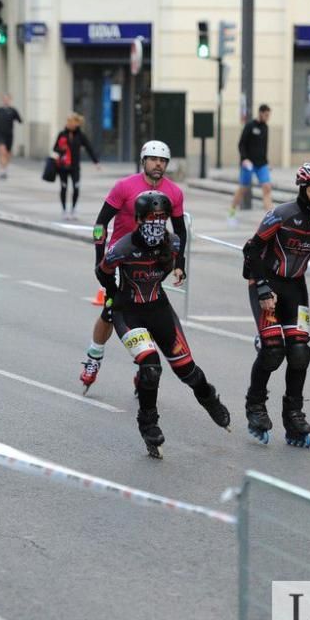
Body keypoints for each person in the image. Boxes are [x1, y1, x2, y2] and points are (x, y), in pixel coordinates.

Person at [97, 190, 230, 458]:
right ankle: (149, 424)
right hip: (129, 311)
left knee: (187, 370)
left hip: (159, 308)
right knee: (150, 368)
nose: (157, 222)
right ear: (138, 219)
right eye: (150, 217)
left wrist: (179, 268)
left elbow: (175, 262)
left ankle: (209, 398)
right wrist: (112, 296)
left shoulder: (174, 242)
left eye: (162, 217)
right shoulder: (122, 247)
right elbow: (102, 271)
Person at [242, 162, 310, 448]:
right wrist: (262, 288)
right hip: (266, 283)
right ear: (303, 190)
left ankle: (293, 414)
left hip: (295, 287)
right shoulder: (280, 215)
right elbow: (252, 251)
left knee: (299, 351)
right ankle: (255, 405)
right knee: (274, 351)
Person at [79, 140, 186, 392]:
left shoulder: (174, 193)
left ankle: (144, 368)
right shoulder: (124, 187)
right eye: (153, 159)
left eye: (163, 161)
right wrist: (99, 259)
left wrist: (180, 264)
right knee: (110, 309)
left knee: (147, 311)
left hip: (153, 261)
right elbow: (100, 224)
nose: (158, 164)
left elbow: (180, 231)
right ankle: (94, 357)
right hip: (122, 259)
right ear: (143, 161)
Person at [228, 104, 273, 223]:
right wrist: (244, 159)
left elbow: (264, 147)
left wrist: (267, 162)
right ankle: (232, 210)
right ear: (260, 113)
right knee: (243, 188)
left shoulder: (265, 127)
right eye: (266, 115)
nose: (268, 117)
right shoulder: (250, 126)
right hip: (248, 163)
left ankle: (271, 217)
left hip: (261, 164)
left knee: (267, 187)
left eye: (269, 115)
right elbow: (241, 144)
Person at [51, 112, 100, 220]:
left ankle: (73, 209)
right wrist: (61, 149)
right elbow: (54, 149)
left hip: (75, 168)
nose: (69, 123)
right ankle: (64, 210)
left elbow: (89, 148)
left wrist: (95, 162)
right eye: (68, 121)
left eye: (71, 121)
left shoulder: (81, 135)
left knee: (76, 188)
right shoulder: (62, 134)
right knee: (64, 188)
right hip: (63, 167)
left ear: (76, 123)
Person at [0, 93, 21, 180]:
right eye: (4, 99)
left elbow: (19, 120)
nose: (6, 101)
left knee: (8, 154)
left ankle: (5, 168)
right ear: (2, 100)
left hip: (9, 135)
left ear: (10, 100)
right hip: (0, 134)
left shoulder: (13, 111)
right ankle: (2, 171)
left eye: (7, 99)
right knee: (3, 152)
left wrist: (17, 118)